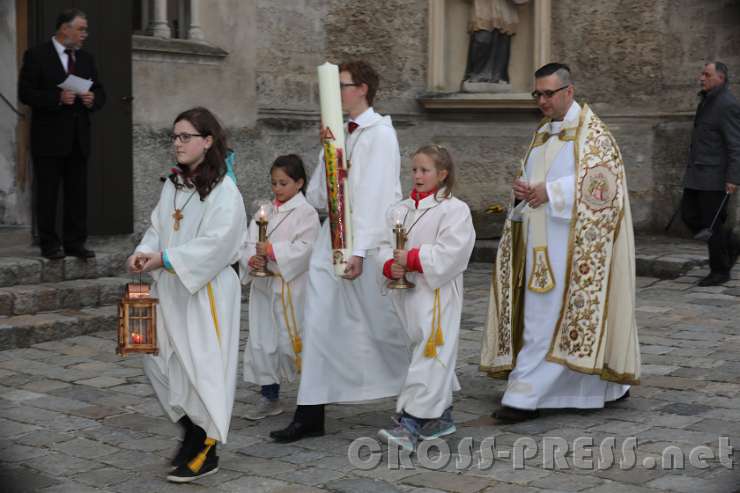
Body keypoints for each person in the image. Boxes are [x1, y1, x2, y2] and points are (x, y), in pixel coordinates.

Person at [480, 63, 640, 422]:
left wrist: (549, 192)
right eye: (537, 94)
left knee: (546, 316)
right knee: (548, 316)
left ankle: (524, 395)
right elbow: (535, 179)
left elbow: (604, 186)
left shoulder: (594, 136)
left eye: (548, 93)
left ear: (568, 91)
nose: (541, 100)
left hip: (573, 246)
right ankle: (600, 387)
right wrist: (523, 191)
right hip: (541, 239)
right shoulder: (543, 133)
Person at [270, 60, 409, 443]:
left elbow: (376, 195)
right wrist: (329, 156)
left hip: (363, 243)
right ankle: (310, 411)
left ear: (362, 88)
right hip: (329, 241)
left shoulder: (380, 134)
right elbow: (317, 196)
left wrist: (361, 250)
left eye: (343, 86)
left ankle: (426, 396)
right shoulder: (339, 133)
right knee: (318, 325)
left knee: (383, 326)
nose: (336, 95)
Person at [127, 107, 247, 482]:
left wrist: (164, 258)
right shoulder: (174, 184)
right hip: (171, 288)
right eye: (175, 137)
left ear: (207, 141)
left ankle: (207, 445)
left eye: (186, 137)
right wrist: (144, 253)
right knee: (159, 360)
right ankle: (189, 429)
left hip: (206, 292)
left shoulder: (225, 191)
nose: (177, 144)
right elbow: (157, 226)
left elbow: (218, 244)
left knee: (202, 366)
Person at [377, 145, 475, 452]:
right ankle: (440, 418)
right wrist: (388, 265)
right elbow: (383, 244)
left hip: (437, 293)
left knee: (431, 354)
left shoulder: (454, 210)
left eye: (425, 170)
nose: (418, 176)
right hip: (407, 295)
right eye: (415, 169)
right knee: (420, 352)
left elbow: (454, 251)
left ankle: (411, 422)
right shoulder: (399, 210)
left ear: (442, 175)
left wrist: (414, 258)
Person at [18, 8, 106, 259]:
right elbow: (26, 93)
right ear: (64, 29)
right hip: (48, 138)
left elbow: (100, 92)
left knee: (77, 194)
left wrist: (92, 99)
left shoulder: (86, 59)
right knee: (47, 193)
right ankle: (49, 244)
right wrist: (56, 98)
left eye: (85, 30)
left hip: (79, 138)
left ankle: (75, 243)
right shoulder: (36, 56)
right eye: (80, 29)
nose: (84, 34)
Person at [241, 154, 320, 420]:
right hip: (265, 286)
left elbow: (308, 248)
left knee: (293, 341)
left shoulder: (306, 212)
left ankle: (311, 396)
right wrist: (251, 258)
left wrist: (274, 251)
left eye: (283, 183)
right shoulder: (265, 211)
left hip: (292, 287)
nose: (277, 189)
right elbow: (248, 242)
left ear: (299, 183)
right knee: (263, 342)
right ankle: (269, 395)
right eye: (274, 183)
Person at [681, 62, 740, 286]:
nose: (701, 78)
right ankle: (732, 243)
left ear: (721, 78)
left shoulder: (727, 105)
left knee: (711, 225)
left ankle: (719, 271)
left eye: (707, 74)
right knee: (689, 216)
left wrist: (733, 178)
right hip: (697, 174)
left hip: (715, 178)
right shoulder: (707, 101)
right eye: (702, 74)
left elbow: (736, 145)